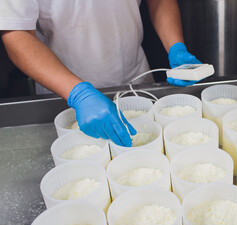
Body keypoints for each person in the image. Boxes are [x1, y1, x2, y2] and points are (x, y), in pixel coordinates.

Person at [0, 0, 201, 147]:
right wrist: (79, 94)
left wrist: (176, 46)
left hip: (136, 85)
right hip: (67, 99)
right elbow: (17, 34)